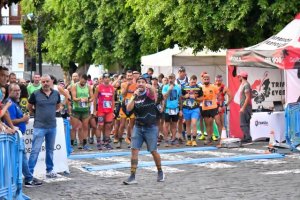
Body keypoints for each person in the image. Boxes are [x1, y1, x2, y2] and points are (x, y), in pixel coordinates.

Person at [123, 76, 164, 185]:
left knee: (153, 151)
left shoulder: (149, 94)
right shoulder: (135, 96)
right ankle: (132, 176)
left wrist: (147, 85)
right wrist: (134, 96)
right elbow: (128, 108)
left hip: (150, 127)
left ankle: (160, 171)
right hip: (138, 126)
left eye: (142, 82)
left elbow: (152, 90)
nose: (140, 84)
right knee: (134, 150)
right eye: (139, 82)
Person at [6, 83, 43, 187]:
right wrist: (23, 119)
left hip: (17, 135)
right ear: (10, 92)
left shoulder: (14, 103)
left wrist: (23, 121)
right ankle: (28, 179)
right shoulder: (10, 104)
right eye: (15, 91)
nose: (18, 92)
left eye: (19, 90)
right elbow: (10, 121)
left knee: (22, 158)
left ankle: (28, 178)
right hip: (14, 136)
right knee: (22, 158)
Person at [27, 74, 61, 178]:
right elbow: (29, 106)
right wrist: (36, 113)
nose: (45, 84)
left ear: (51, 82)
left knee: (50, 150)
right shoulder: (35, 93)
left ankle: (49, 170)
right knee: (35, 151)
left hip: (52, 126)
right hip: (39, 126)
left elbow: (58, 106)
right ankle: (29, 174)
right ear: (41, 83)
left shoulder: (56, 94)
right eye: (43, 82)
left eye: (47, 81)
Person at [70, 74, 94, 150]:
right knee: (74, 127)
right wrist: (80, 99)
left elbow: (92, 97)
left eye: (85, 82)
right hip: (76, 110)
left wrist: (88, 100)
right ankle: (71, 145)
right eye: (82, 81)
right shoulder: (74, 86)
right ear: (80, 79)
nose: (83, 83)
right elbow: (73, 98)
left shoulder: (88, 86)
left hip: (85, 110)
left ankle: (84, 144)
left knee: (85, 127)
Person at [94, 73, 114, 150]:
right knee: (100, 125)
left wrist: (112, 111)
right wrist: (94, 110)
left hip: (109, 111)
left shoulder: (112, 88)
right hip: (101, 110)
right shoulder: (98, 87)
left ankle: (106, 142)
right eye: (105, 77)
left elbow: (112, 99)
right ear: (102, 79)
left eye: (108, 77)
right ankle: (99, 142)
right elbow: (95, 99)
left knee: (108, 126)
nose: (107, 79)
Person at [181, 75, 203, 146]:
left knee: (194, 123)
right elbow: (180, 97)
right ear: (189, 80)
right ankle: (189, 140)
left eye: (194, 82)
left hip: (195, 108)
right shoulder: (184, 86)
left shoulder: (199, 88)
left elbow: (202, 98)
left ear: (196, 81)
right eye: (192, 82)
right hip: (186, 108)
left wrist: (196, 98)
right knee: (187, 124)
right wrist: (185, 96)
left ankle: (194, 140)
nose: (193, 83)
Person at [118, 70, 137, 148]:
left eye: (130, 75)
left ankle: (131, 141)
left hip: (132, 107)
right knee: (122, 125)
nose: (129, 77)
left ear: (132, 76)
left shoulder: (136, 84)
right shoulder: (123, 84)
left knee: (131, 125)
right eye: (128, 76)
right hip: (124, 106)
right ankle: (119, 141)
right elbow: (123, 94)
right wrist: (127, 86)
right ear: (126, 76)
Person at [162, 73, 182, 147]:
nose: (170, 79)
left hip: (175, 109)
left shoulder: (178, 87)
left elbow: (180, 99)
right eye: (169, 78)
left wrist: (181, 109)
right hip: (167, 108)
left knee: (174, 124)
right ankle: (166, 139)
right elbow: (164, 97)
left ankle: (173, 139)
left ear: (174, 78)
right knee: (166, 124)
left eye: (172, 78)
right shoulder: (165, 87)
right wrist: (169, 89)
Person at [201, 74, 220, 145]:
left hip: (213, 108)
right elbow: (200, 97)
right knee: (207, 124)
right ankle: (209, 138)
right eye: (205, 79)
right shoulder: (201, 88)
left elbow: (219, 95)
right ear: (203, 80)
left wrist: (219, 104)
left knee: (214, 122)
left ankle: (217, 137)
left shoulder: (213, 87)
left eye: (207, 79)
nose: (206, 80)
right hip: (204, 108)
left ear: (209, 79)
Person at [214, 75, 232, 140]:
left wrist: (226, 105)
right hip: (215, 105)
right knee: (217, 122)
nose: (218, 81)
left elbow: (231, 96)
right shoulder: (213, 86)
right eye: (217, 80)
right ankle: (220, 135)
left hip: (222, 105)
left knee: (223, 122)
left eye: (219, 80)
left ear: (221, 80)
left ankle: (224, 136)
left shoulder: (224, 87)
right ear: (215, 80)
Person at [237, 71, 253, 143]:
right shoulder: (244, 84)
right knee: (246, 122)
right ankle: (246, 137)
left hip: (246, 106)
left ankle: (248, 137)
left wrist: (243, 107)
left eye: (239, 77)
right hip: (246, 106)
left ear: (241, 77)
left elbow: (248, 97)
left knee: (243, 123)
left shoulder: (246, 85)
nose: (238, 78)